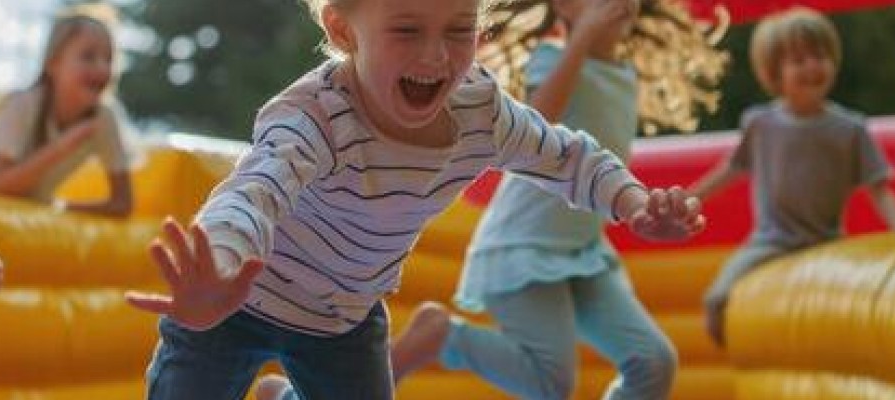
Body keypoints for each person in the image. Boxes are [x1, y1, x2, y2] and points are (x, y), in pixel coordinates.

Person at [122, 0, 705, 399]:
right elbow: (255, 193)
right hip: (231, 305)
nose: (437, 56)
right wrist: (217, 267)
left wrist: (634, 203)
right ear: (345, 30)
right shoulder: (317, 117)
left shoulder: (481, 112)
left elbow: (568, 156)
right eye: (407, 29)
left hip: (342, 321)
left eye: (458, 30)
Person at [335, 0, 725, 399]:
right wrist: (584, 36)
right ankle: (444, 336)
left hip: (585, 254)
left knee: (654, 361)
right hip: (524, 247)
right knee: (551, 384)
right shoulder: (551, 58)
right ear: (565, 7)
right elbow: (539, 121)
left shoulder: (624, 74)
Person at [687, 7, 895, 348]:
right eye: (798, 61)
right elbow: (731, 169)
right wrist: (691, 199)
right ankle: (739, 351)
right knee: (717, 298)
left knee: (856, 305)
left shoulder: (849, 129)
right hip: (771, 239)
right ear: (775, 73)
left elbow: (879, 188)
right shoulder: (761, 125)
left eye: (819, 57)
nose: (811, 67)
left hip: (827, 239)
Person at [0, 4, 132, 217]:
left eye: (108, 59)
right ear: (54, 63)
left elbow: (122, 203)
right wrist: (62, 146)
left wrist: (60, 208)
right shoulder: (23, 104)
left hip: (34, 213)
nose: (102, 68)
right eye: (88, 56)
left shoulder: (104, 117)